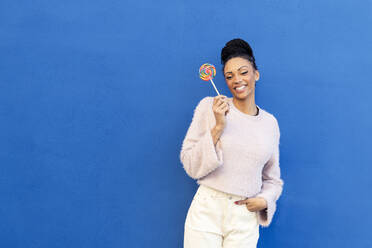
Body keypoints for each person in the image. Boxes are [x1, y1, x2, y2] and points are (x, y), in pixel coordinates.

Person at [179, 38, 284, 247]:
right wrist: (218, 127)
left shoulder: (270, 123)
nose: (237, 79)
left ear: (256, 74)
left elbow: (272, 180)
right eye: (229, 75)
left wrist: (264, 200)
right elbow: (190, 164)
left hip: (244, 216)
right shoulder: (210, 107)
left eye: (243, 72)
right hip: (207, 210)